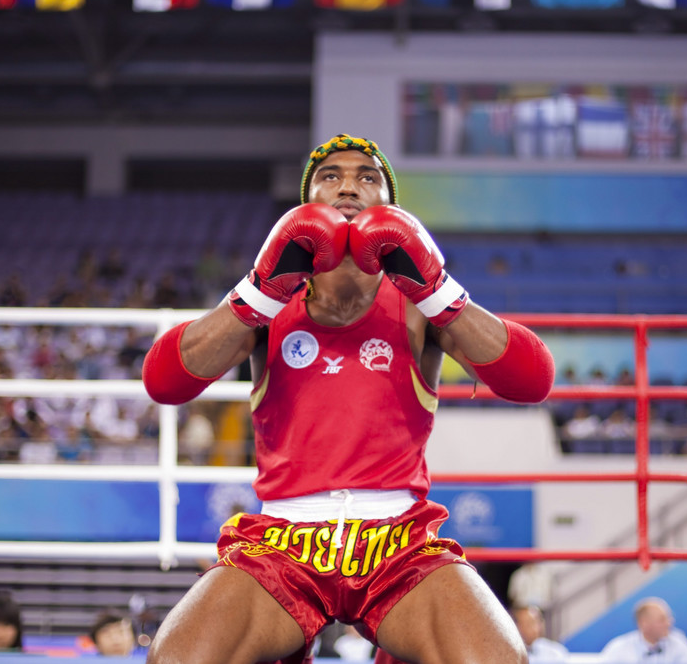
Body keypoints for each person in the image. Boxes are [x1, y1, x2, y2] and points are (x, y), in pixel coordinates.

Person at [141, 133, 555, 664]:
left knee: (496, 660)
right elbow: (164, 381)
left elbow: (533, 379)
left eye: (367, 177)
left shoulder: (419, 306)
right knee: (177, 659)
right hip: (283, 538)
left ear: (390, 206)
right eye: (330, 176)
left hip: (398, 540)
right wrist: (258, 293)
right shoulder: (268, 302)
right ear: (308, 203)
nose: (348, 186)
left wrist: (438, 291)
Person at [599, 597, 687, 664]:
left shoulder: (679, 644)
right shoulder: (619, 649)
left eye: (668, 618)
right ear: (644, 623)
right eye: (662, 619)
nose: (668, 623)